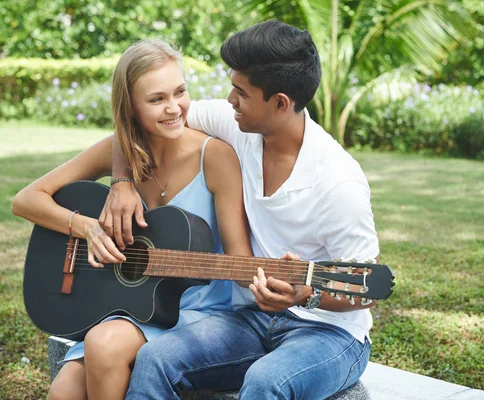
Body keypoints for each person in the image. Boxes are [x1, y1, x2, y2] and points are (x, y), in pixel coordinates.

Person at [104, 21, 380, 399]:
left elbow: (366, 289)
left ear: (280, 103)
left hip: (329, 333)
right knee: (155, 358)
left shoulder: (338, 183)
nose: (229, 100)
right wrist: (120, 182)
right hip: (251, 320)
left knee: (267, 381)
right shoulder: (237, 124)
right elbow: (137, 120)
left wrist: (304, 295)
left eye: (241, 92)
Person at [11, 39, 252, 400]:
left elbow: (241, 260)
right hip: (126, 307)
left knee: (104, 343)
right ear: (131, 108)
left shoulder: (215, 157)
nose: (174, 108)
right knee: (63, 392)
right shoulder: (117, 152)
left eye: (180, 92)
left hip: (195, 312)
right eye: (156, 100)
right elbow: (25, 199)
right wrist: (88, 227)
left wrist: (283, 281)